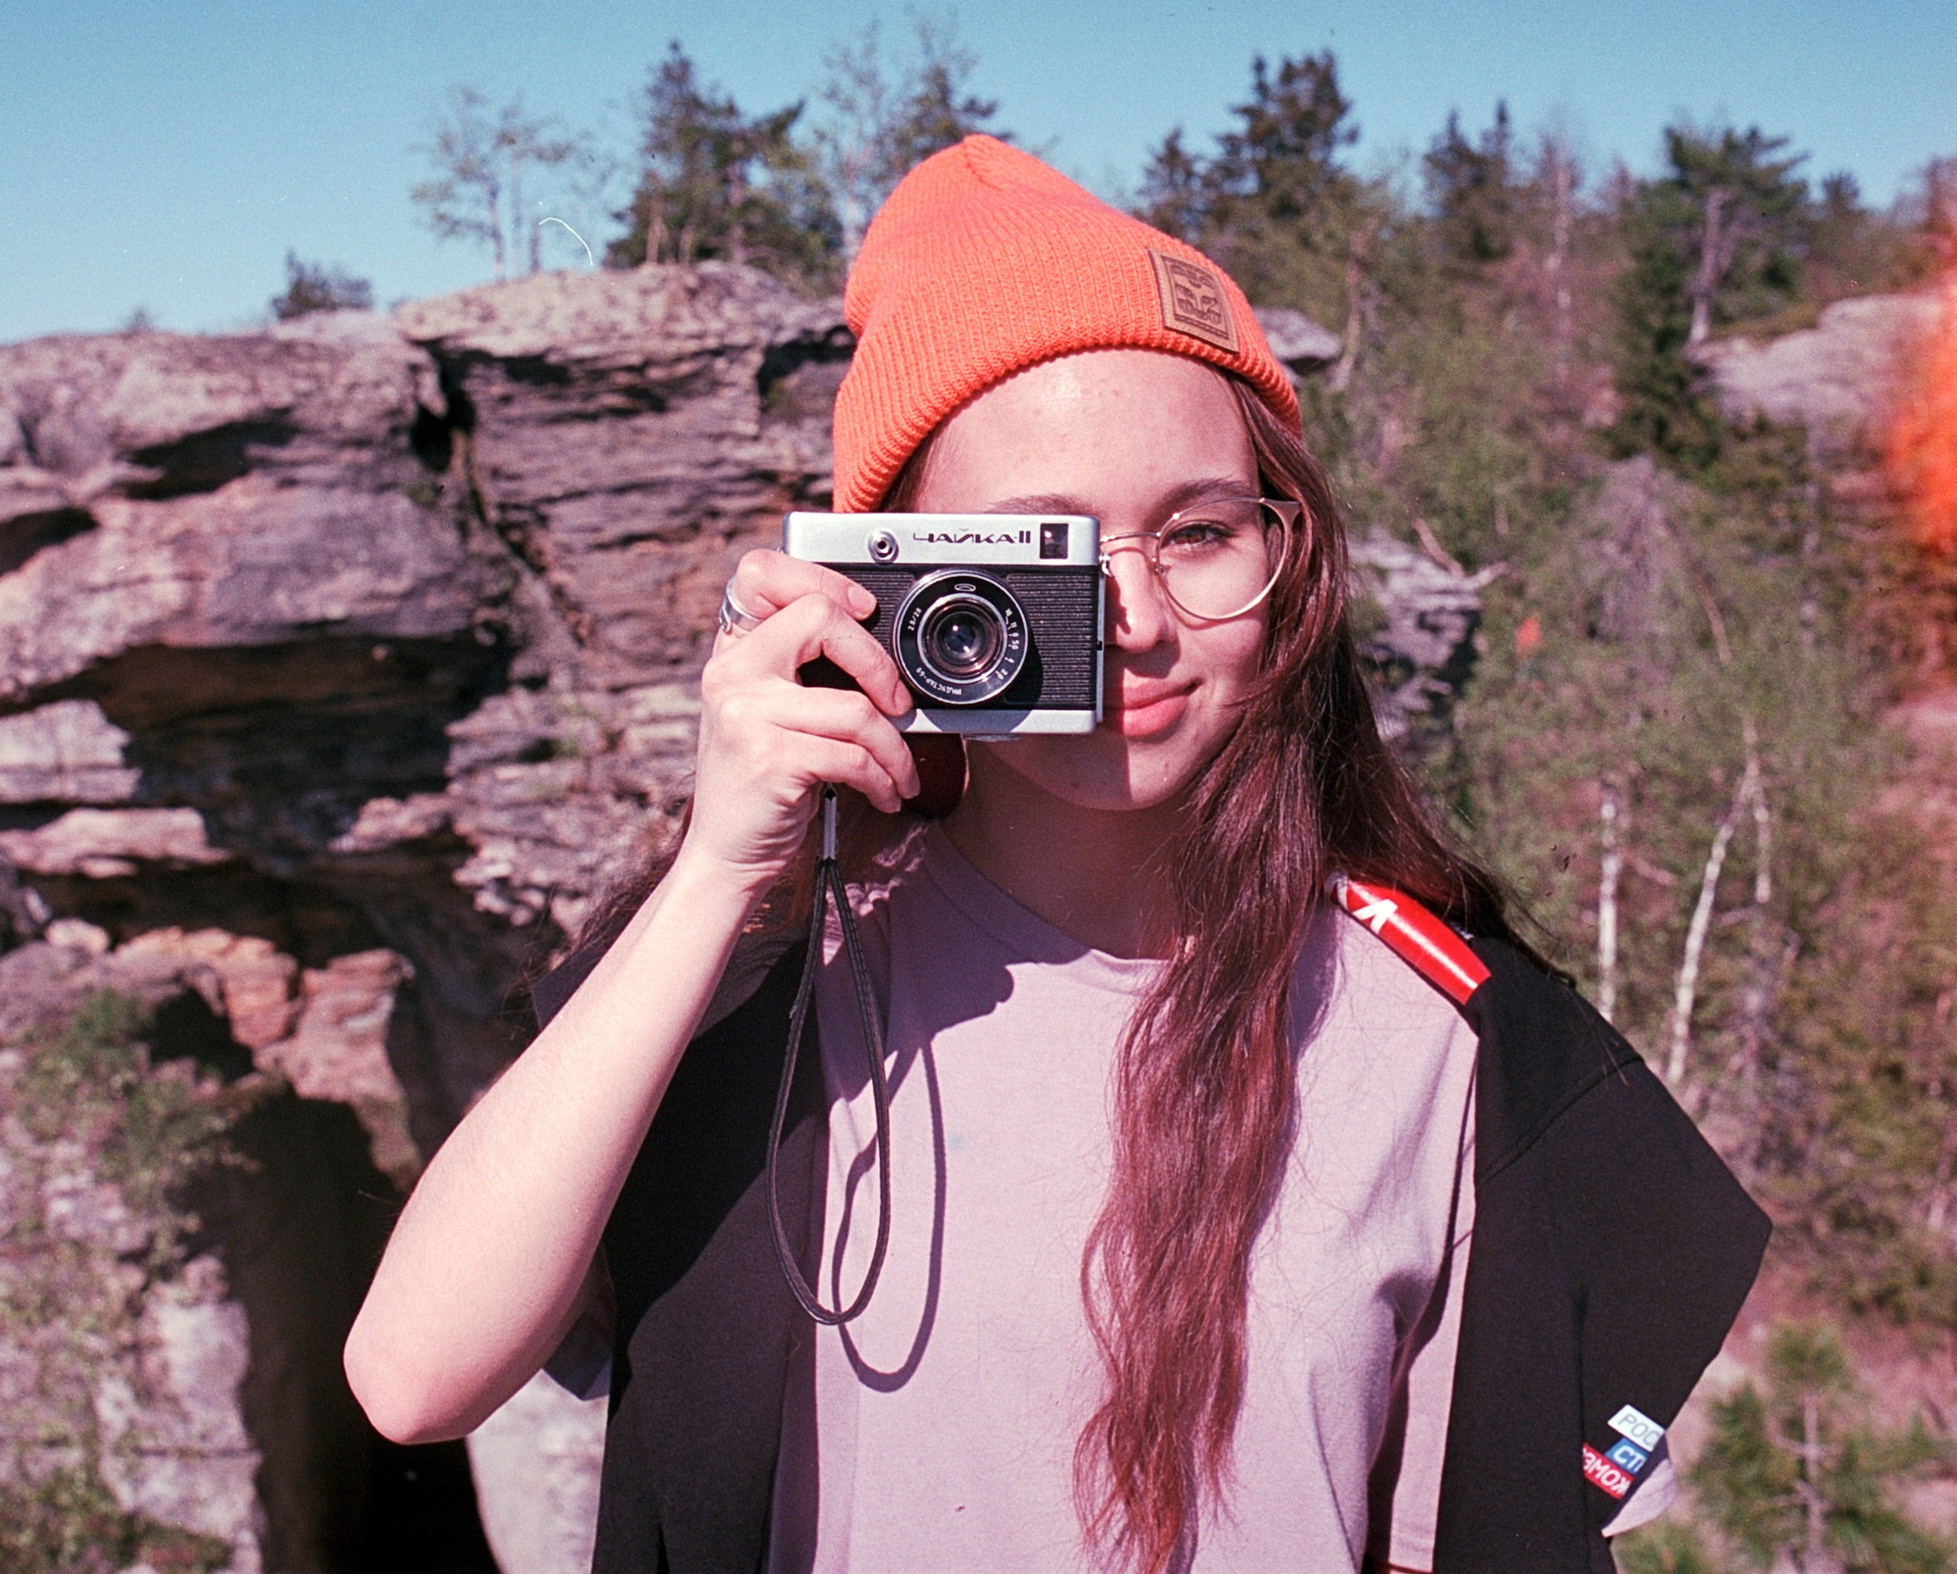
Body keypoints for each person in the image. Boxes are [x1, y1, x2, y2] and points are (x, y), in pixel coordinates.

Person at [346, 137, 1768, 1574]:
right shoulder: (752, 994)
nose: (1135, 616)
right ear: (890, 585)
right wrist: (718, 869)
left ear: (1291, 557)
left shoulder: (1448, 1043)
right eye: (1044, 555)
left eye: (1199, 531)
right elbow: (414, 1381)